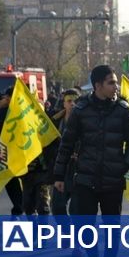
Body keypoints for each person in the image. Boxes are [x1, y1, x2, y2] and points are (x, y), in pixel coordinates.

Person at [54, 65, 129, 257]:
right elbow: (67, 143)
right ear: (98, 85)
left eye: (116, 83)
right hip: (86, 179)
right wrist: (59, 175)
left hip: (113, 180)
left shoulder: (123, 110)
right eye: (111, 83)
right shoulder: (81, 110)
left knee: (112, 229)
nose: (116, 87)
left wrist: (124, 165)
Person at [50, 88, 81, 218]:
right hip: (61, 169)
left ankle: (75, 235)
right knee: (57, 207)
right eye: (69, 101)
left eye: (75, 101)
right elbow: (49, 144)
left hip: (79, 170)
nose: (72, 104)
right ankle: (67, 232)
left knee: (76, 209)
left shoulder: (86, 120)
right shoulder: (55, 121)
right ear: (64, 103)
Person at [0, 86, 24, 216]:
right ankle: (18, 207)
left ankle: (19, 208)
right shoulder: (2, 112)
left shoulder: (22, 112)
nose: (5, 99)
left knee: (18, 184)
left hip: (19, 153)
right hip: (7, 153)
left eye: (8, 97)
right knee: (11, 183)